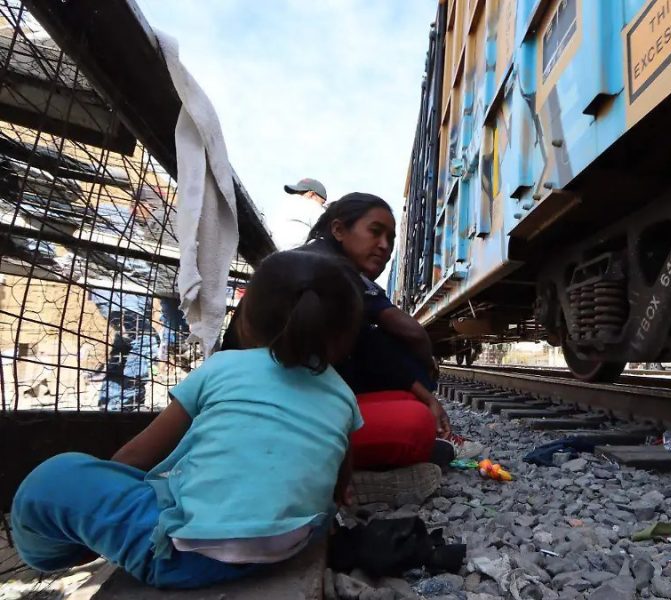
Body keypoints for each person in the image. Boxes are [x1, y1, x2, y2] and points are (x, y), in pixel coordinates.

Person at [10, 250, 371, 589]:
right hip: (288, 542)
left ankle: (63, 554)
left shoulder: (222, 366)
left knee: (51, 481)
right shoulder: (343, 395)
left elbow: (135, 457)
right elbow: (340, 483)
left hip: (182, 557)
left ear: (245, 321)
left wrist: (109, 487)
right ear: (344, 339)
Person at [221, 192, 480, 504]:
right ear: (339, 230)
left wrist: (425, 396)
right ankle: (346, 481)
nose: (385, 246)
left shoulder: (313, 261)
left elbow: (370, 346)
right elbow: (409, 333)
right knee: (415, 422)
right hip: (277, 421)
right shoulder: (333, 274)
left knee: (409, 401)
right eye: (375, 232)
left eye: (390, 239)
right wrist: (428, 373)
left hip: (280, 408)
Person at [274, 177, 327, 250]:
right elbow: (328, 232)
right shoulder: (312, 205)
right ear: (312, 194)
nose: (322, 206)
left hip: (273, 249)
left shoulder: (286, 204)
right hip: (293, 253)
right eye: (322, 202)